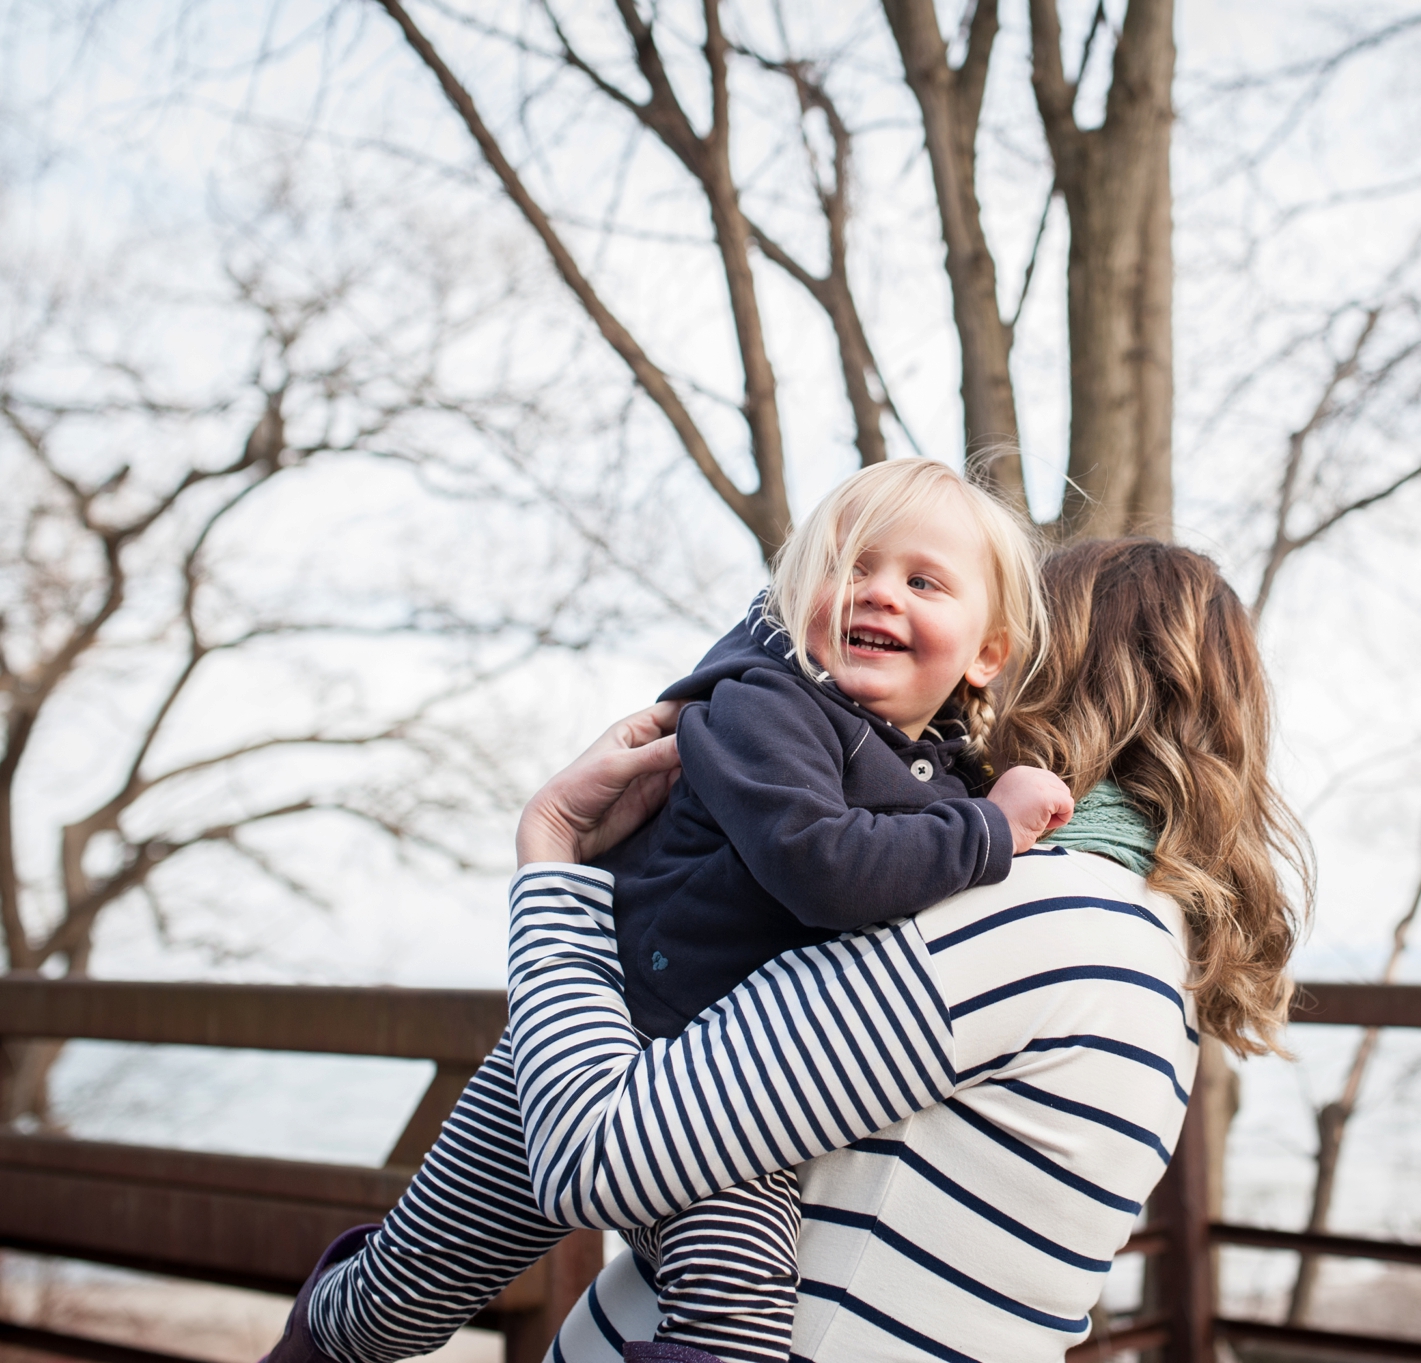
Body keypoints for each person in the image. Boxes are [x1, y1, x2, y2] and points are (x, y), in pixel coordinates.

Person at [264, 459, 1076, 1363]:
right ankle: (319, 1338)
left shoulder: (944, 781)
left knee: (734, 1331)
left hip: (730, 1098)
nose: (878, 594)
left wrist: (991, 817)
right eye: (849, 567)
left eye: (922, 581)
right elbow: (823, 866)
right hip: (588, 1044)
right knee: (404, 1295)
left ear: (986, 653)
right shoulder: (762, 707)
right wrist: (992, 829)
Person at [513, 539, 1309, 1360]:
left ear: (1047, 669)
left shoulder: (1024, 914)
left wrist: (554, 859)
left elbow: (593, 1150)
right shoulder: (1151, 937)